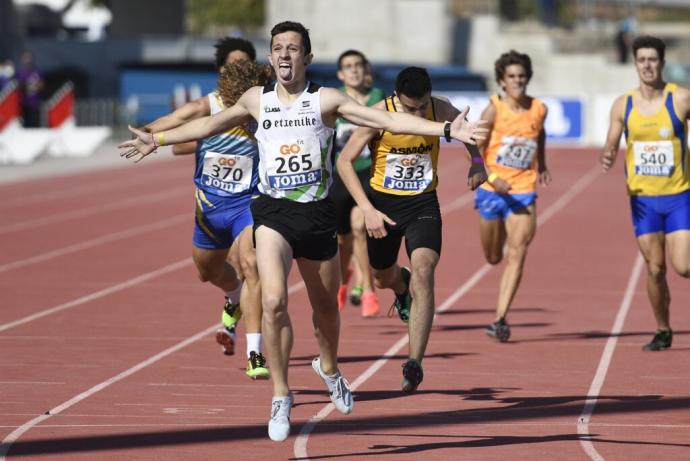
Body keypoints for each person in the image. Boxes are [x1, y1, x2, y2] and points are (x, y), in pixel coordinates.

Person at [119, 21, 487, 442]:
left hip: (317, 214)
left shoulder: (326, 99)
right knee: (274, 300)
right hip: (273, 212)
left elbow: (381, 119)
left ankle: (328, 368)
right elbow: (206, 126)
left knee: (325, 309)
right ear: (271, 56)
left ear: (307, 58)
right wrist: (157, 137)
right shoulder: (255, 100)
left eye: (293, 48)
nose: (285, 55)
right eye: (278, 48)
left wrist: (447, 129)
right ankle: (281, 394)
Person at [126, 38, 272, 379]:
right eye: (231, 65)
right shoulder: (208, 104)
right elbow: (175, 119)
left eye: (244, 65)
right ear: (221, 71)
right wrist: (147, 134)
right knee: (208, 272)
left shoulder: (264, 106)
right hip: (210, 208)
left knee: (252, 265)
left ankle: (255, 354)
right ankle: (232, 294)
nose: (238, 70)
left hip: (248, 204)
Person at [336, 66, 488, 393]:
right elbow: (344, 161)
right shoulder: (379, 113)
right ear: (396, 98)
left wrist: (477, 163)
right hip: (383, 206)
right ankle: (400, 287)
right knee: (382, 277)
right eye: (410, 109)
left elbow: (467, 134)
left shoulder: (441, 108)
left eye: (422, 107)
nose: (418, 114)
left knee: (424, 269)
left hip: (422, 205)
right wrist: (366, 209)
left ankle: (414, 361)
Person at [601, 35, 690, 351]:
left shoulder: (680, 99)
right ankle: (663, 329)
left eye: (653, 59)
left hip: (679, 196)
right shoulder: (623, 104)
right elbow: (612, 139)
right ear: (635, 63)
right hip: (643, 201)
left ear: (662, 63)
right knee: (655, 268)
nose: (648, 65)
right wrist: (609, 153)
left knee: (684, 266)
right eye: (642, 60)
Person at [474, 50, 550, 343]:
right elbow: (475, 150)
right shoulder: (493, 109)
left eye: (521, 76)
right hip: (492, 191)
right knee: (493, 257)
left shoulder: (539, 108)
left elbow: (540, 134)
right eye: (512, 77)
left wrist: (541, 163)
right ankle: (499, 312)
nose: (517, 81)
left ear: (527, 78)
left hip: (523, 190)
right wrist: (492, 178)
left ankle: (500, 318)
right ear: (502, 81)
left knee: (517, 253)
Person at [331, 49, 384, 316]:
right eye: (348, 67)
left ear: (365, 71)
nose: (353, 70)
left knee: (360, 227)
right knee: (342, 240)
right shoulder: (332, 100)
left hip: (367, 174)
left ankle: (368, 289)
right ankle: (342, 282)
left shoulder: (377, 100)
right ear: (341, 74)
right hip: (340, 175)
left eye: (357, 66)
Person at [15, 50, 43, 128]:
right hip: (23, 102)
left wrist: (36, 86)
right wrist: (25, 86)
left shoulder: (37, 71)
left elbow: (41, 84)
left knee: (34, 122)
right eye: (25, 58)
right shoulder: (20, 72)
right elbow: (17, 85)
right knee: (25, 123)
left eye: (28, 57)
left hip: (35, 101)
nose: (27, 60)